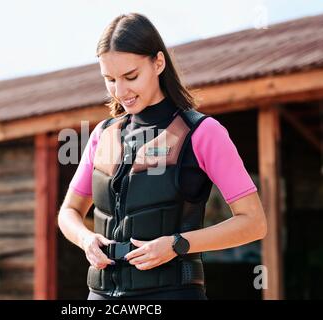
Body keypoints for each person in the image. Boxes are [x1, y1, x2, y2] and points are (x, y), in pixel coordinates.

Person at [57, 13, 267, 300]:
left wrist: (177, 244)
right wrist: (85, 238)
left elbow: (254, 223)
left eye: (131, 77)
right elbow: (68, 212)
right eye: (110, 79)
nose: (120, 91)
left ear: (158, 62)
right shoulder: (101, 135)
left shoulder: (203, 133)